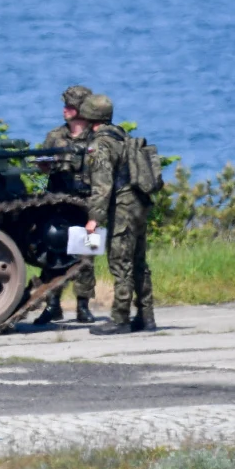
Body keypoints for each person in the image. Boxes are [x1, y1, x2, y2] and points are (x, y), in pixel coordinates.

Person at [81, 94, 155, 335]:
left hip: (122, 206)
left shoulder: (100, 144)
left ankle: (120, 318)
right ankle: (146, 315)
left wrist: (94, 218)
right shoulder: (120, 135)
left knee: (120, 262)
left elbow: (102, 186)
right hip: (138, 202)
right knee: (138, 261)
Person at [34, 84, 97, 324]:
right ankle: (52, 304)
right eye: (65, 106)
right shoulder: (55, 136)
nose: (65, 111)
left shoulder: (96, 138)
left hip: (87, 203)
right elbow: (42, 163)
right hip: (59, 202)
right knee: (54, 254)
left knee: (86, 256)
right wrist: (45, 163)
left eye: (70, 107)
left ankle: (83, 305)